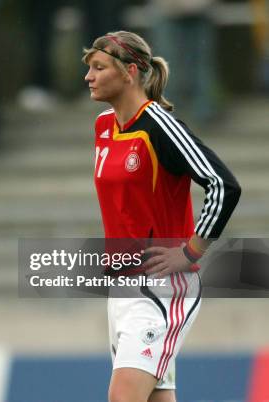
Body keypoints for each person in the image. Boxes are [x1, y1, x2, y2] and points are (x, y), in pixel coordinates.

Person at [82, 31, 241, 402]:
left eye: (99, 67)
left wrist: (191, 252)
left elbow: (222, 185)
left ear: (130, 72)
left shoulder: (160, 125)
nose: (88, 77)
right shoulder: (103, 126)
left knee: (123, 398)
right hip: (121, 289)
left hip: (162, 289)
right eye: (89, 68)